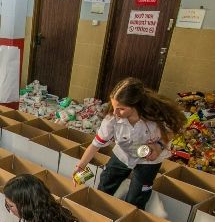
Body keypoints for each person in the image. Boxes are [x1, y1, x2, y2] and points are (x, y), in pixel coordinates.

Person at [73, 77, 184, 209]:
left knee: (136, 198)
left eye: (121, 109)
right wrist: (80, 166)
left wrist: (159, 146)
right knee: (106, 182)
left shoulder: (157, 117)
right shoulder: (112, 119)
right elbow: (95, 145)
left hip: (148, 161)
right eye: (114, 107)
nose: (115, 112)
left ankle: (130, 217)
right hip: (123, 153)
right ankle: (97, 211)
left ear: (136, 105)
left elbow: (173, 130)